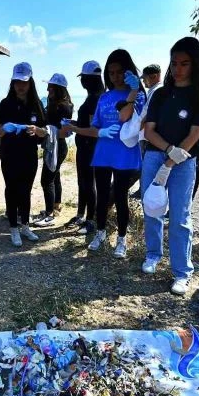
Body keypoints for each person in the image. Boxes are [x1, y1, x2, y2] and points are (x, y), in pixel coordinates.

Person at [141, 37, 199, 296]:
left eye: (184, 63)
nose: (178, 69)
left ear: (195, 64)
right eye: (174, 63)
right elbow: (149, 131)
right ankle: (153, 254)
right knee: (152, 208)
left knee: (180, 216)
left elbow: (195, 134)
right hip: (155, 156)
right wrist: (168, 150)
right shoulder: (161, 94)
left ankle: (182, 272)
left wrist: (173, 159)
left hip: (184, 161)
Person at [79, 50, 146, 258]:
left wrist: (133, 90)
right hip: (103, 153)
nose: (115, 77)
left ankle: (122, 239)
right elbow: (95, 126)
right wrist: (97, 131)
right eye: (111, 73)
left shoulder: (138, 95)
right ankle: (100, 232)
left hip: (125, 153)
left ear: (128, 72)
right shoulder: (104, 97)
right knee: (102, 195)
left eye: (119, 72)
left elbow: (125, 117)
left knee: (120, 196)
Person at [0, 62, 50, 247]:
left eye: (24, 82)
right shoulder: (6, 104)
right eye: (17, 82)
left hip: (29, 155)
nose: (20, 86)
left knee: (26, 190)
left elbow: (45, 131)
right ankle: (13, 228)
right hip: (9, 155)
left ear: (30, 82)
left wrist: (37, 130)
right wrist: (6, 128)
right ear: (12, 82)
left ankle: (25, 226)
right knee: (11, 190)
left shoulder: (36, 104)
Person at [61, 61, 104, 235]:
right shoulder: (92, 95)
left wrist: (74, 128)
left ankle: (90, 220)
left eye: (83, 78)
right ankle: (80, 215)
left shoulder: (95, 98)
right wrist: (74, 123)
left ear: (89, 79)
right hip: (85, 146)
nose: (81, 81)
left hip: (91, 147)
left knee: (89, 183)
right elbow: (88, 123)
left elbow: (95, 130)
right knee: (82, 182)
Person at [33, 73, 74, 227]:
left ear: (58, 89)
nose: (48, 89)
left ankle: (49, 215)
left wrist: (44, 130)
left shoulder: (62, 106)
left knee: (46, 179)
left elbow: (63, 130)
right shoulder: (59, 103)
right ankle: (56, 206)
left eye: (51, 87)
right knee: (55, 176)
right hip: (56, 145)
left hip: (57, 146)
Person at [130, 63, 163, 199]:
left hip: (146, 135)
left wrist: (136, 129)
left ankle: (143, 191)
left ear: (154, 76)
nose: (143, 82)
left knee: (144, 166)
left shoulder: (157, 91)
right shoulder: (154, 90)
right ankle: (141, 190)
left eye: (145, 78)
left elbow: (149, 114)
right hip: (145, 134)